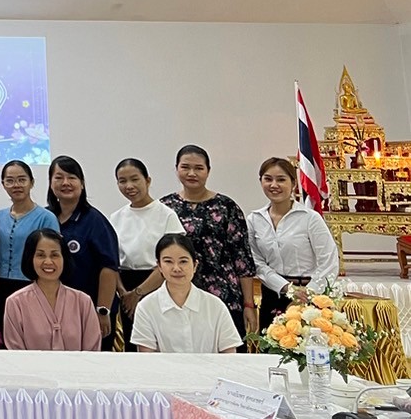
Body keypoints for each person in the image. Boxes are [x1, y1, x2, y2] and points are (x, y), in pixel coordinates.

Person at [159, 145, 256, 343]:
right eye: (185, 167)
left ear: (208, 171)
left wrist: (248, 304)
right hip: (178, 294)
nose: (192, 173)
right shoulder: (165, 207)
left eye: (199, 168)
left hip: (224, 294)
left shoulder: (227, 206)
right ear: (176, 169)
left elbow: (242, 259)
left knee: (228, 350)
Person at [249, 156, 338, 322]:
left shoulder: (310, 218)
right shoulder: (254, 219)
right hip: (274, 294)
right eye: (268, 179)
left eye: (281, 179)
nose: (274, 185)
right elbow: (257, 262)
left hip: (310, 294)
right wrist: (286, 288)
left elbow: (329, 260)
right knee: (271, 338)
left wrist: (308, 293)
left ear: (294, 183)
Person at [110, 158, 184, 351]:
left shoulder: (166, 215)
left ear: (148, 180)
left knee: (161, 343)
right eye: (122, 181)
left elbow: (171, 261)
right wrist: (124, 294)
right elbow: (111, 261)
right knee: (133, 344)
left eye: (135, 179)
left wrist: (138, 293)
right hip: (125, 287)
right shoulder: (116, 217)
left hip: (158, 284)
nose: (129, 186)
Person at [46, 156, 120, 350]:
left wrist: (103, 310)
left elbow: (109, 268)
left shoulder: (95, 220)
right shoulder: (45, 218)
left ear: (82, 183)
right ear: (50, 183)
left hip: (90, 309)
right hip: (52, 310)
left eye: (72, 177)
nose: (65, 183)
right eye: (59, 177)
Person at [131, 234, 242, 354]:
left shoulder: (215, 306)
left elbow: (229, 354)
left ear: (195, 265)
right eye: (168, 261)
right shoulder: (146, 307)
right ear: (159, 267)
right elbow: (146, 358)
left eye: (183, 261)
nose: (176, 268)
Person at [1, 229, 103, 352]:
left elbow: (92, 351)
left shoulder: (83, 302)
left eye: (54, 255)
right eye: (40, 255)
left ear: (64, 258)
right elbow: (15, 353)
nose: (48, 262)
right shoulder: (15, 303)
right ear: (30, 258)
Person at [0, 161, 59, 334]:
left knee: (34, 335)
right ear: (3, 184)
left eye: (22, 179)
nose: (16, 185)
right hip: (3, 287)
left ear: (32, 182)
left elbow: (54, 259)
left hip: (35, 285)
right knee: (5, 336)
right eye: (10, 181)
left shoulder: (46, 218)